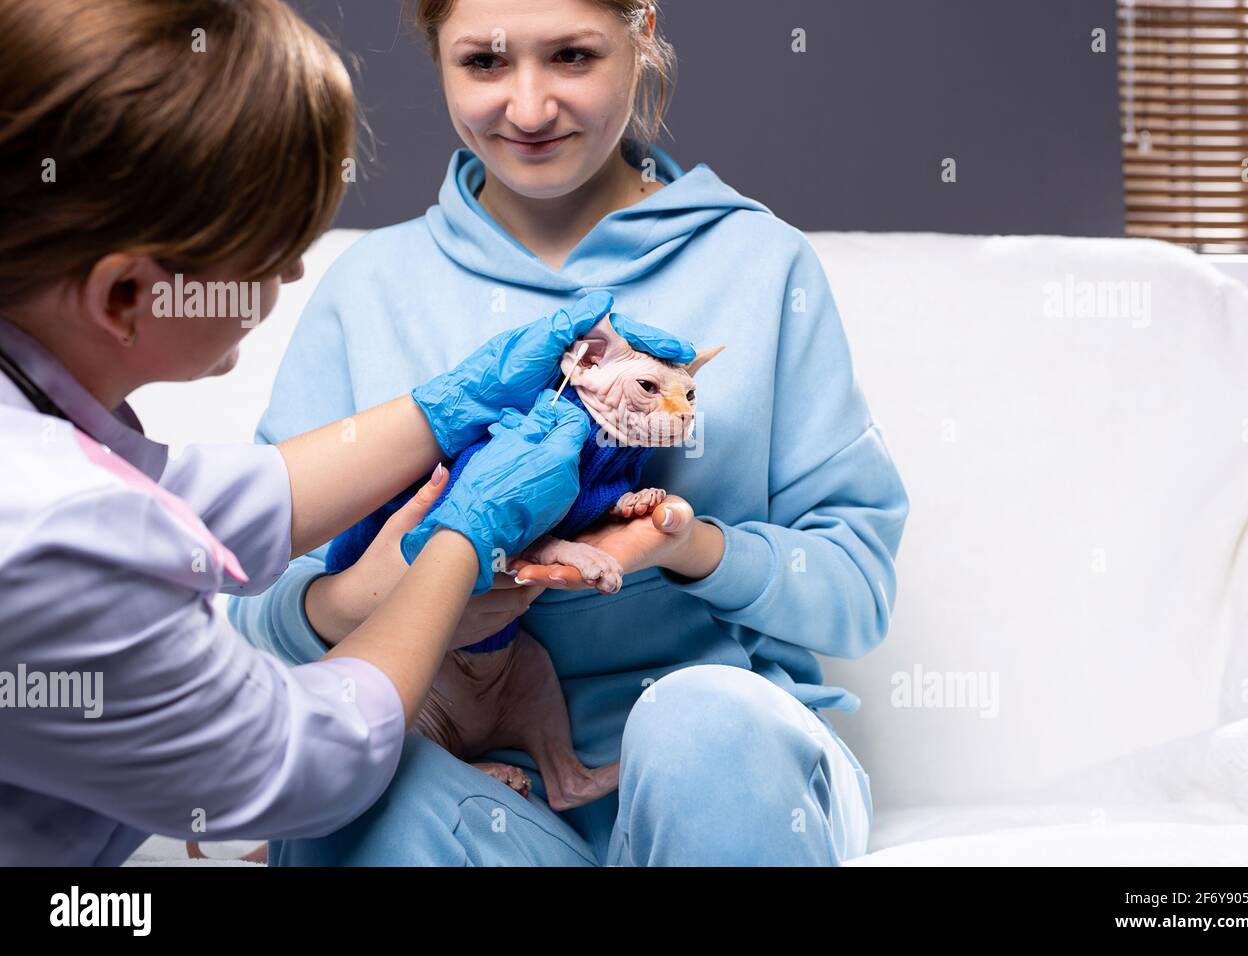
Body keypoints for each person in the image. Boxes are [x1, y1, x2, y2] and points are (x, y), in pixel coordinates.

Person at [0, 0, 690, 866]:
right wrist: (460, 542)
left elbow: (211, 502)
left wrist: (448, 407)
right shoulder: (49, 539)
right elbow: (305, 764)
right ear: (127, 296)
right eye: (272, 247)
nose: (292, 271)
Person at [230, 0, 910, 866]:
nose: (528, 107)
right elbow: (249, 615)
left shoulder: (764, 265)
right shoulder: (368, 288)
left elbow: (857, 592)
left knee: (707, 723)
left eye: (572, 57)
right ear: (436, 54)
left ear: (642, 32)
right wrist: (389, 590)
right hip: (467, 791)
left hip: (726, 786)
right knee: (360, 783)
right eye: (484, 63)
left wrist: (682, 547)